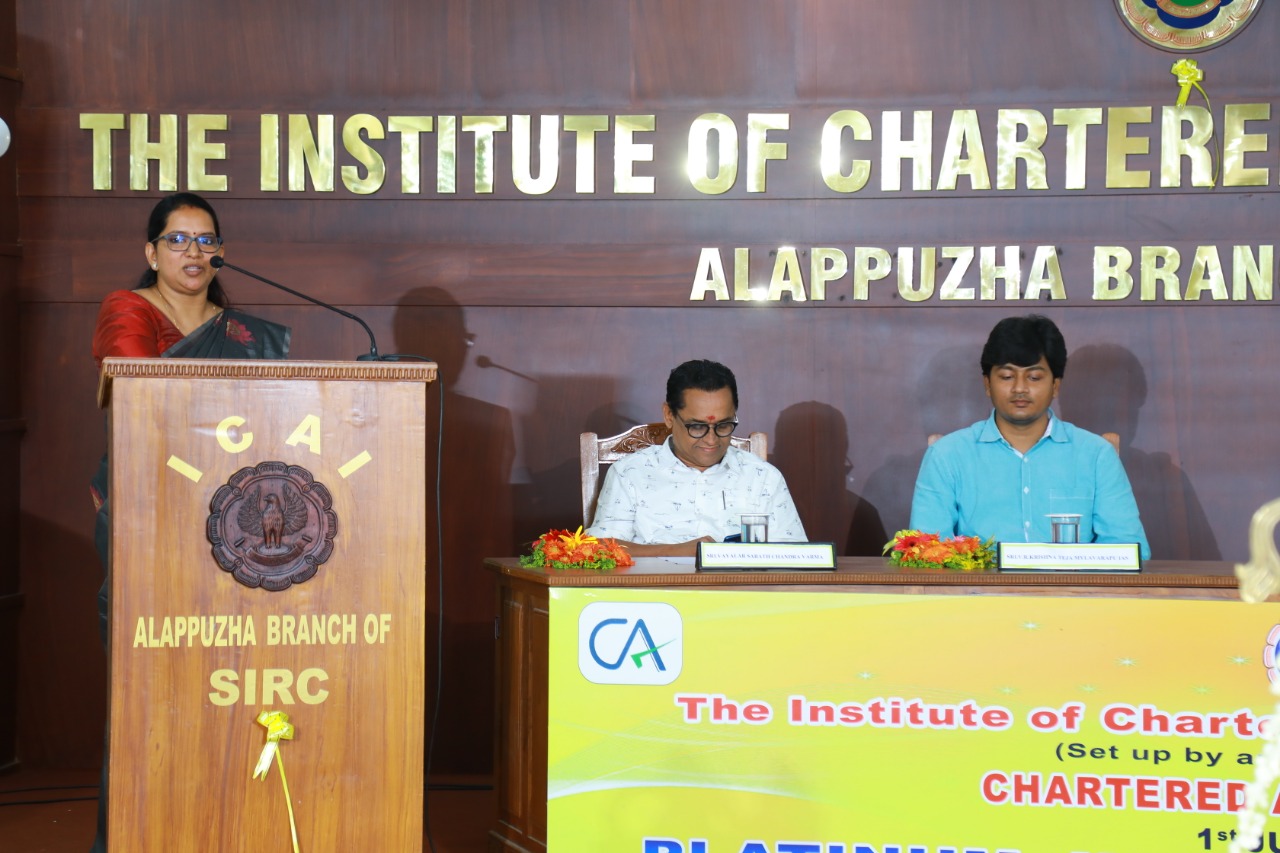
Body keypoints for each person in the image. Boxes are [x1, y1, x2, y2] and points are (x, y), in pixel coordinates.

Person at [88, 192, 290, 852]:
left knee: (224, 674)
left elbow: (271, 419)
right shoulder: (130, 308)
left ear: (221, 252)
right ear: (152, 252)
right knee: (150, 683)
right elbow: (142, 390)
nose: (193, 252)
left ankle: (225, 828)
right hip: (146, 507)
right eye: (177, 240)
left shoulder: (245, 333)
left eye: (206, 240)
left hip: (227, 518)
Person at [909, 315, 1151, 559]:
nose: (1020, 388)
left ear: (1055, 386)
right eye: (1007, 376)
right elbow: (926, 552)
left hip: (1070, 584)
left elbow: (1129, 549)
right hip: (981, 585)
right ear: (987, 384)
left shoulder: (1096, 455)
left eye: (1034, 377)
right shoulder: (948, 455)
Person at [586, 359, 807, 556]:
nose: (711, 440)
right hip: (654, 588)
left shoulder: (762, 477)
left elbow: (796, 556)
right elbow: (600, 548)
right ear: (669, 415)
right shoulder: (630, 473)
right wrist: (678, 551)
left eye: (724, 425)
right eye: (697, 427)